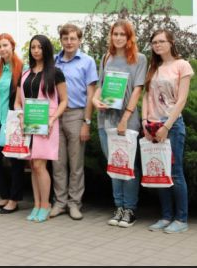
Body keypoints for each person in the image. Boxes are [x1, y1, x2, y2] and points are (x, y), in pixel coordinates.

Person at [92, 19, 147, 228]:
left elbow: (137, 90)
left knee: (128, 165)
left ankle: (130, 209)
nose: (118, 38)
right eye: (115, 34)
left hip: (127, 121)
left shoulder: (139, 59)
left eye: (122, 34)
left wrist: (125, 119)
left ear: (129, 37)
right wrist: (95, 100)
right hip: (105, 120)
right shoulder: (106, 57)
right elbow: (100, 86)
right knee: (114, 164)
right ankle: (119, 207)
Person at [142, 29, 193, 234]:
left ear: (171, 42)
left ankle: (181, 219)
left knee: (176, 172)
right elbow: (146, 96)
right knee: (160, 172)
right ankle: (165, 216)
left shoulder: (182, 65)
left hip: (172, 125)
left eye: (161, 41)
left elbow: (181, 100)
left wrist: (166, 127)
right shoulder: (153, 67)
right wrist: (145, 122)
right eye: (154, 42)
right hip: (153, 125)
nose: (157, 45)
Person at [14, 34, 68, 223]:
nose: (36, 50)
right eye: (33, 47)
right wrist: (20, 116)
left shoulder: (55, 73)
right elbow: (18, 101)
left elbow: (64, 101)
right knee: (32, 165)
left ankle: (46, 205)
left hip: (46, 124)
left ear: (46, 49)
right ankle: (37, 205)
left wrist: (53, 118)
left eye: (40, 47)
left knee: (39, 165)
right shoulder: (25, 74)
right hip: (28, 124)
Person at [51, 24, 98, 220]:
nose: (69, 42)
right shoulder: (53, 61)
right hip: (55, 116)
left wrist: (87, 122)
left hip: (76, 115)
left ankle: (74, 203)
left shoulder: (87, 62)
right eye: (65, 38)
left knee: (76, 163)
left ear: (79, 40)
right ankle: (60, 202)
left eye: (73, 38)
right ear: (61, 40)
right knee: (58, 163)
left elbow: (91, 95)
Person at [0, 33, 26, 214]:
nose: (2, 49)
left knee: (15, 162)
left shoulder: (22, 69)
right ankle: (4, 195)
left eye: (5, 45)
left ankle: (14, 199)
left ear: (12, 46)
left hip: (13, 121)